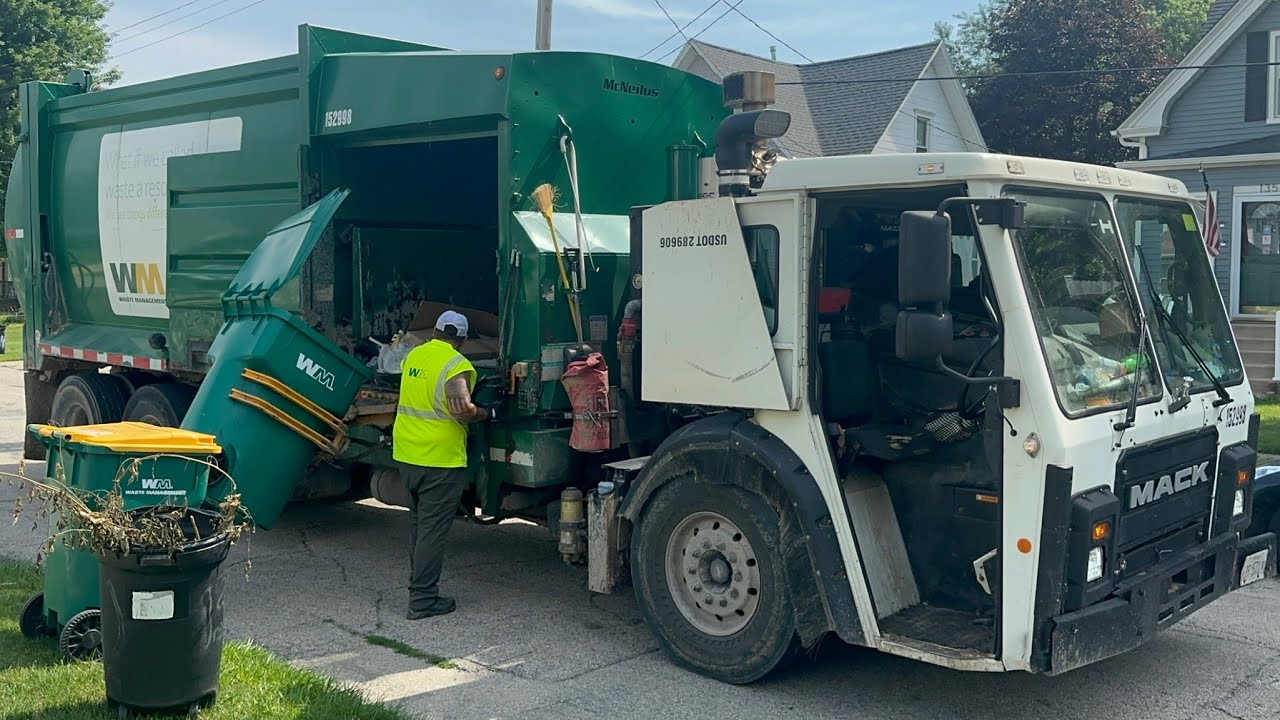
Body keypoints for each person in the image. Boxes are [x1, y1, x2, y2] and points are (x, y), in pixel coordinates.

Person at [393, 310, 493, 619]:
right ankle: (422, 600)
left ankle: (418, 587)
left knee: (419, 527)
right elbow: (461, 409)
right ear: (461, 339)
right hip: (439, 460)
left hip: (407, 455)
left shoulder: (414, 356)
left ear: (435, 331)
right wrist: (485, 413)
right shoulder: (455, 365)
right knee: (432, 532)